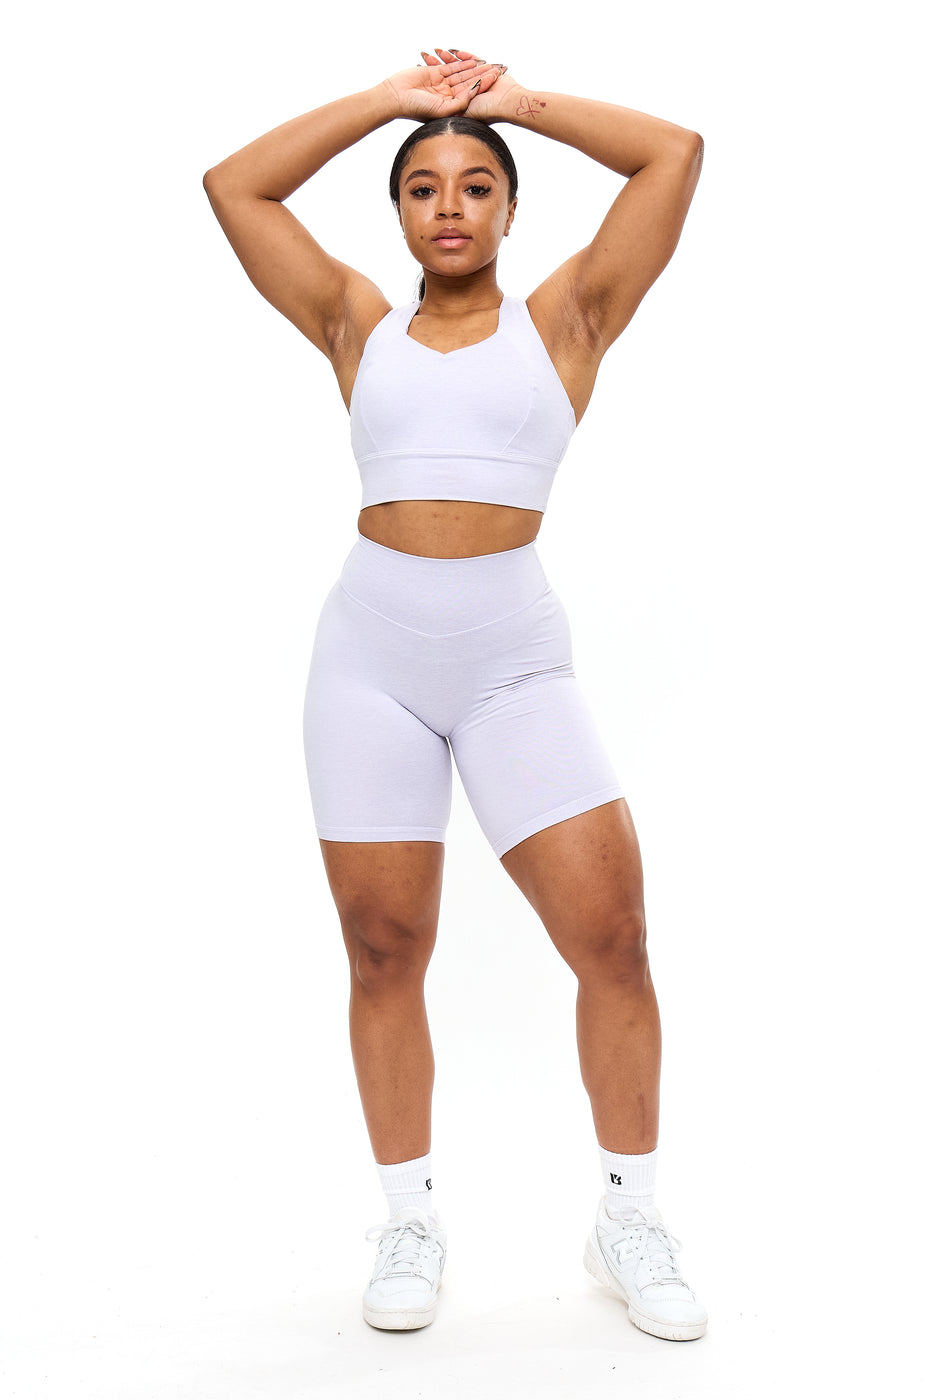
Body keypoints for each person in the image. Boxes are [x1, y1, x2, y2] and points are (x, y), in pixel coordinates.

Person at [203, 48, 705, 1342]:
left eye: (476, 186)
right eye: (422, 187)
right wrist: (391, 101)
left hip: (510, 661)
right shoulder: (354, 322)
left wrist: (512, 105)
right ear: (398, 211)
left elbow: (673, 156)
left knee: (611, 938)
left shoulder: (568, 320)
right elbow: (234, 187)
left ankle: (629, 1215)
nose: (448, 205)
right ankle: (408, 1217)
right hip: (369, 658)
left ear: (509, 209)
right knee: (384, 948)